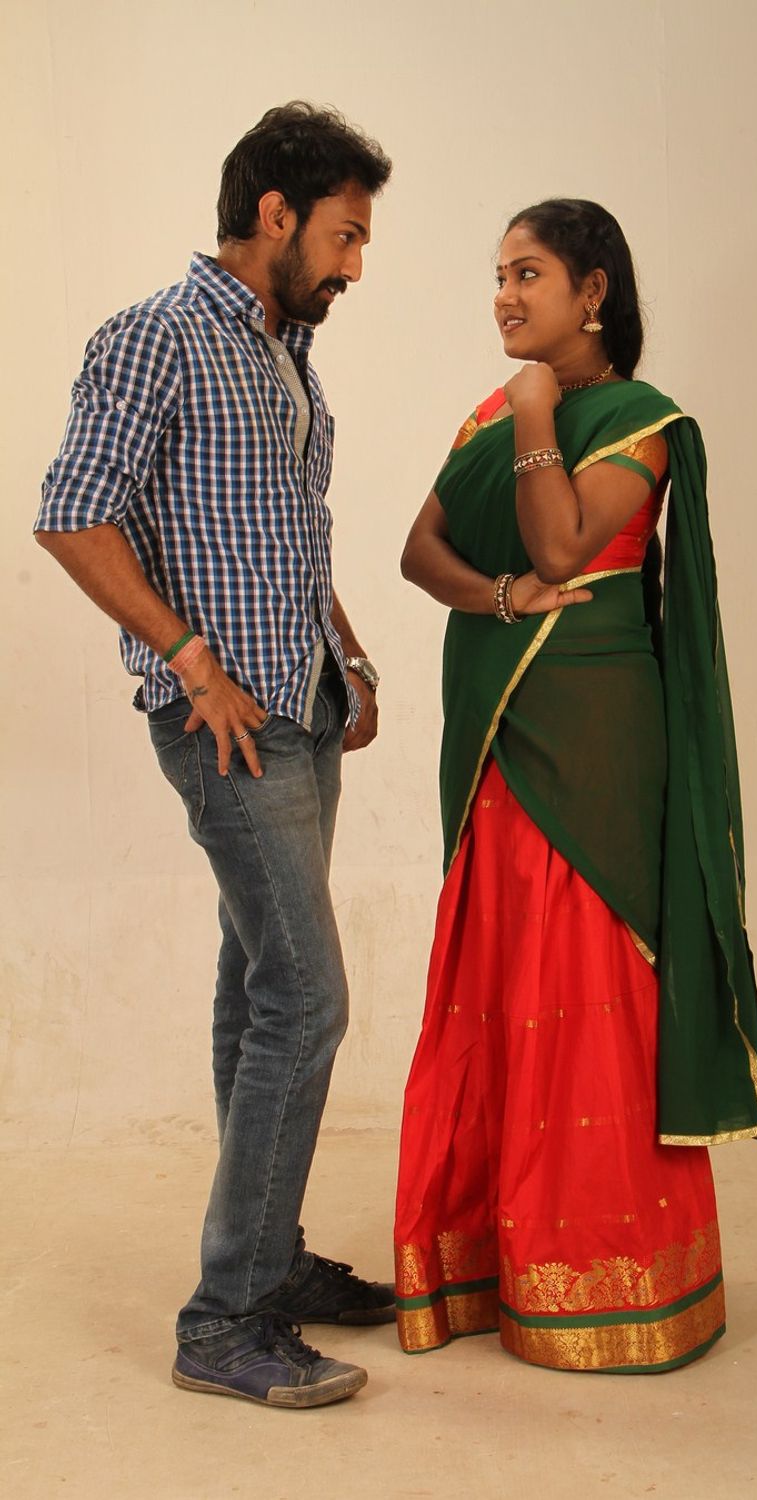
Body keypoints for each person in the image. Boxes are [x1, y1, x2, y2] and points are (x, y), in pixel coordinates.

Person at [35, 103, 394, 1409]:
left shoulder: (286, 353)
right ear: (277, 215)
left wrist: (344, 653)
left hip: (300, 706)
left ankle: (271, 1257)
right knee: (307, 999)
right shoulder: (158, 335)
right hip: (222, 723)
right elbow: (73, 515)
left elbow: (284, 527)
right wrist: (191, 659)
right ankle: (225, 1321)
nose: (356, 265)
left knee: (258, 991)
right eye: (345, 235)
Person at [393, 198, 757, 1374]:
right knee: (500, 971)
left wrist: (532, 412)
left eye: (529, 273)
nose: (504, 295)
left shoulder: (637, 423)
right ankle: (488, 1266)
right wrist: (498, 598)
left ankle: (611, 1277)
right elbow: (419, 552)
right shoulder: (490, 414)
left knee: (584, 973)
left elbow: (563, 545)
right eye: (499, 275)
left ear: (592, 292)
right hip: (497, 729)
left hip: (599, 733)